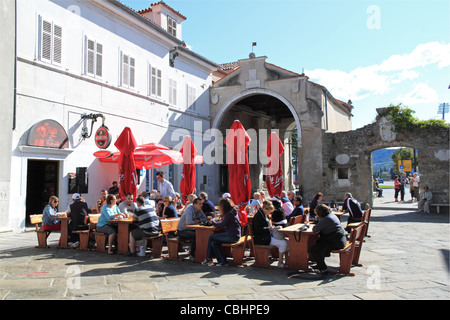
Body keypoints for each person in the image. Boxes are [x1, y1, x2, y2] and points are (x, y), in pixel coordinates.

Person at [202, 198, 242, 267]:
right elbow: (225, 223)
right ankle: (222, 261)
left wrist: (213, 222)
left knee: (211, 237)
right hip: (235, 234)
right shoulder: (232, 211)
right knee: (214, 243)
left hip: (232, 235)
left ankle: (208, 258)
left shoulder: (229, 214)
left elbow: (222, 225)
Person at [309, 204, 347, 274]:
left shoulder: (326, 219)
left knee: (314, 249)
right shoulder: (331, 215)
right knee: (319, 243)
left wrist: (318, 223)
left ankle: (323, 269)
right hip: (339, 240)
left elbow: (315, 230)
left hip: (336, 243)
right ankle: (320, 263)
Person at [252, 201, 289, 268]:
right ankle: (280, 262)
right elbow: (257, 230)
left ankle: (286, 261)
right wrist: (269, 228)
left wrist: (270, 228)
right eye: (269, 211)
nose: (270, 213)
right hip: (262, 238)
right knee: (283, 243)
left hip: (267, 236)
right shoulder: (258, 217)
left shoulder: (264, 215)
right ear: (265, 209)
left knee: (287, 241)